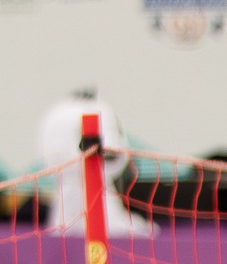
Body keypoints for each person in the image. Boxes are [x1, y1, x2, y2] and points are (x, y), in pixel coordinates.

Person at [34, 89, 156, 238]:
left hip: (98, 194)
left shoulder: (98, 112)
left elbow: (113, 152)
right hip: (76, 195)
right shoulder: (73, 114)